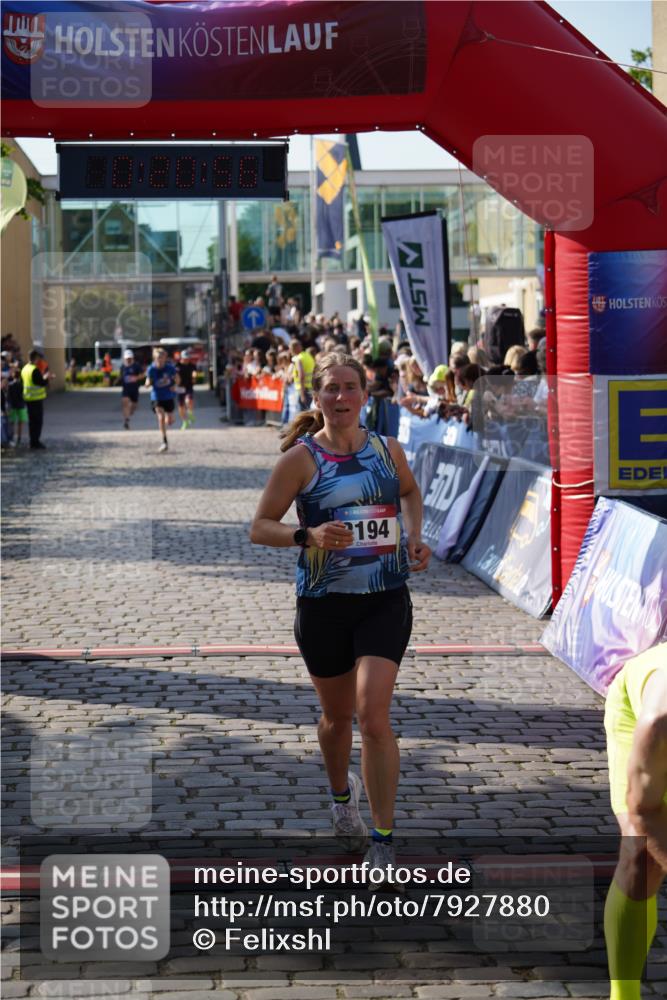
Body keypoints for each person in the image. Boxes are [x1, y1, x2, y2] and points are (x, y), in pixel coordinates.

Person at [250, 352, 431, 886]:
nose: (342, 397)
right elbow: (260, 527)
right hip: (324, 605)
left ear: (365, 393)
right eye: (331, 389)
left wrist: (415, 537)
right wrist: (306, 535)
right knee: (337, 719)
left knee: (373, 716)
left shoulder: (387, 450)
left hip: (384, 597)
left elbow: (410, 493)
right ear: (318, 397)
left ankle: (383, 840)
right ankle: (339, 797)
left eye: (351, 387)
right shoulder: (301, 461)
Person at [603, 642, 666, 1000]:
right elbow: (645, 810)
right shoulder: (659, 721)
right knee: (641, 857)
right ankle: (624, 994)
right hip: (636, 705)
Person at [145, 347, 176, 453]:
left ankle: (170, 417)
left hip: (168, 396)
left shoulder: (170, 368)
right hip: (156, 396)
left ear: (165, 358)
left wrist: (174, 384)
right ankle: (164, 441)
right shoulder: (151, 369)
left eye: (162, 357)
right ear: (154, 358)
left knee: (170, 420)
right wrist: (147, 383)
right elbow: (148, 380)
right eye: (158, 358)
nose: (160, 359)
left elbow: (178, 379)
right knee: (161, 417)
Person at [21, 349, 50, 449]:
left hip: (28, 399)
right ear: (36, 358)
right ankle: (35, 442)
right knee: (37, 422)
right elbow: (41, 382)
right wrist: (47, 378)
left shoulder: (25, 368)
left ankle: (32, 441)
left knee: (32, 422)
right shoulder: (34, 369)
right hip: (36, 399)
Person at [290, 337, 315, 412]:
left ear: (295, 348)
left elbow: (301, 376)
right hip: (310, 387)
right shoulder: (308, 356)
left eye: (290, 349)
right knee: (307, 412)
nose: (290, 351)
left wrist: (302, 394)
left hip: (303, 389)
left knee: (302, 414)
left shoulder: (298, 359)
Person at [119, 349, 142, 429]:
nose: (128, 360)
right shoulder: (123, 366)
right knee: (125, 403)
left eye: (129, 358)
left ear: (132, 358)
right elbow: (121, 376)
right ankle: (126, 420)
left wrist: (136, 377)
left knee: (134, 406)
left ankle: (129, 414)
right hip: (126, 389)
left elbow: (142, 375)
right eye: (127, 358)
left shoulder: (136, 366)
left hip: (135, 389)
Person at [7, 362, 27, 447]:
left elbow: (8, 397)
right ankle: (19, 438)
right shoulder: (22, 385)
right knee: (20, 423)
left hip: (13, 406)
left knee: (12, 423)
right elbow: (24, 395)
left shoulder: (10, 385)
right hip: (21, 406)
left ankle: (11, 437)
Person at [175, 348, 197, 429]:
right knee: (181, 406)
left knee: (188, 400)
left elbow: (194, 372)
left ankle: (190, 414)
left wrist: (194, 376)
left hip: (188, 386)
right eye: (185, 358)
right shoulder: (177, 366)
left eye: (188, 358)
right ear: (181, 358)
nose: (186, 360)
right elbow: (175, 375)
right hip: (180, 387)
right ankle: (185, 421)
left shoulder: (192, 365)